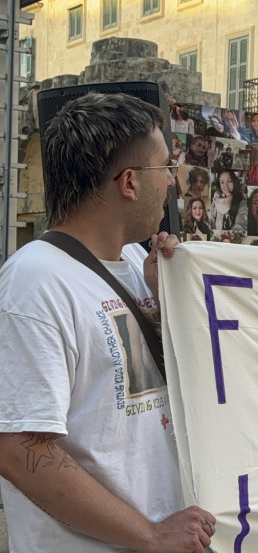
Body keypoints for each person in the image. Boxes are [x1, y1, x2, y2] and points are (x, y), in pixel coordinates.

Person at [0, 92, 216, 552]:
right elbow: (18, 448)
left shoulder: (140, 262)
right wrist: (151, 535)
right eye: (165, 168)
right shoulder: (34, 283)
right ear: (131, 182)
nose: (173, 184)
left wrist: (169, 304)